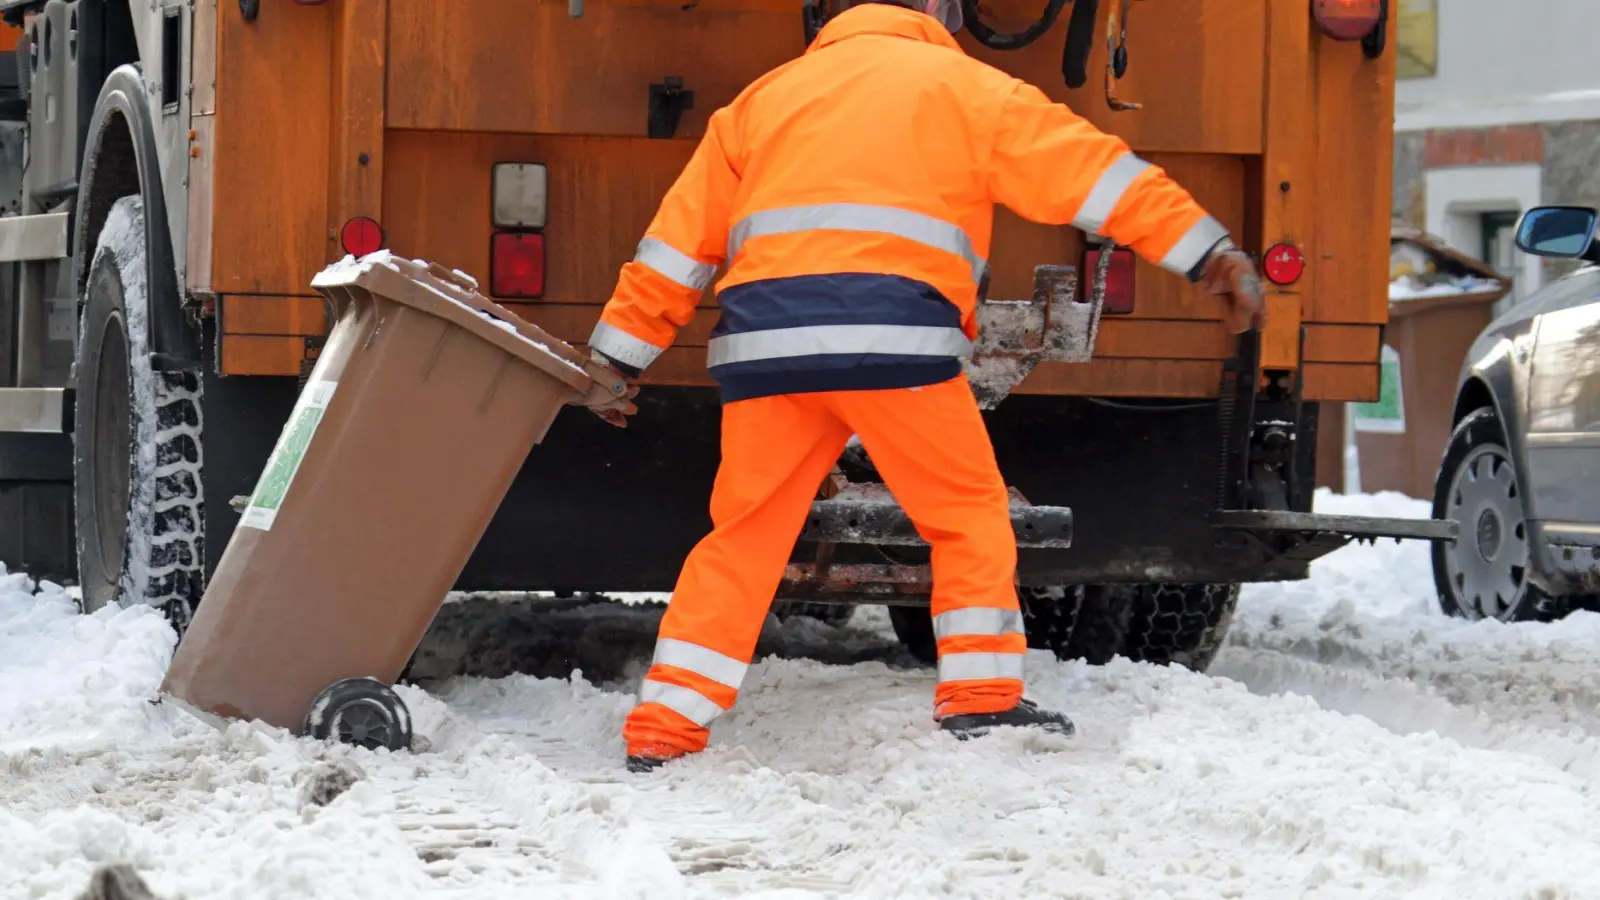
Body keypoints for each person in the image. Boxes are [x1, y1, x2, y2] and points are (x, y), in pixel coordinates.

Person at [583, 0, 1266, 771]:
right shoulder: (969, 89)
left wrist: (617, 361)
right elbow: (1099, 177)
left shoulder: (758, 103)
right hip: (895, 348)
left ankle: (666, 726)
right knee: (967, 513)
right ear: (937, 7)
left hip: (766, 353)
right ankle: (980, 699)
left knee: (742, 540)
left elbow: (676, 250)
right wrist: (1208, 253)